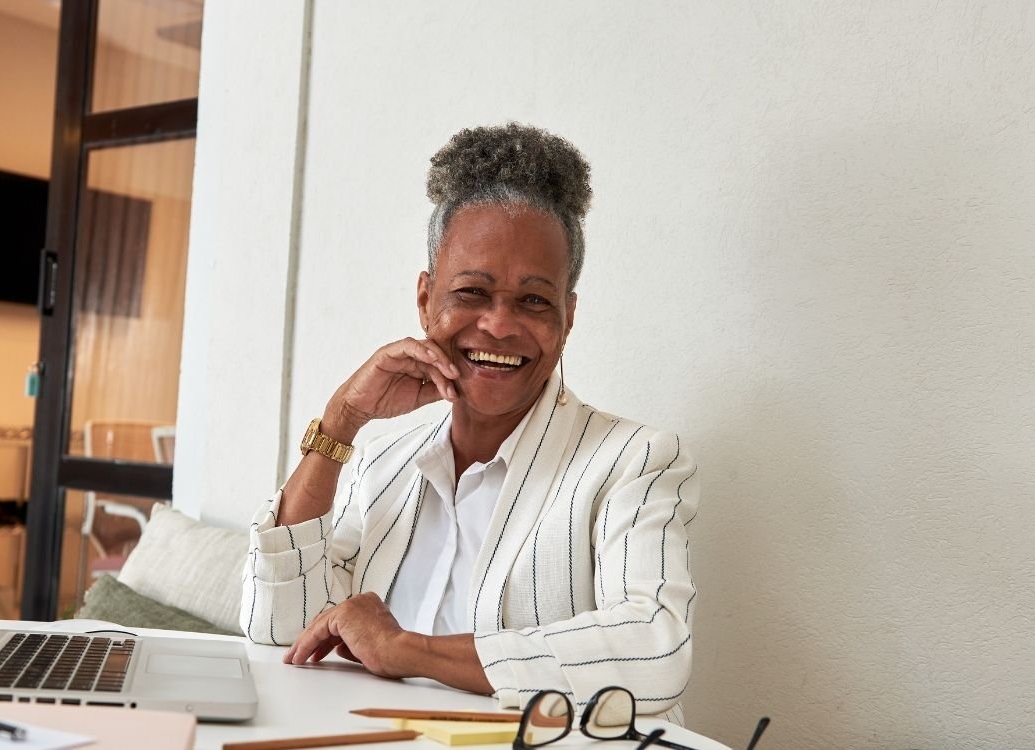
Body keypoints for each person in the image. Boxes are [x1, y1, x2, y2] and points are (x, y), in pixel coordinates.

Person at [240, 123, 699, 723]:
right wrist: (341, 422)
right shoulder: (382, 463)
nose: (500, 325)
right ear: (427, 298)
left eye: (534, 300)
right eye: (473, 291)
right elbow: (280, 633)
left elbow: (654, 651)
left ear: (568, 316)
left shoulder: (634, 460)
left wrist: (410, 651)